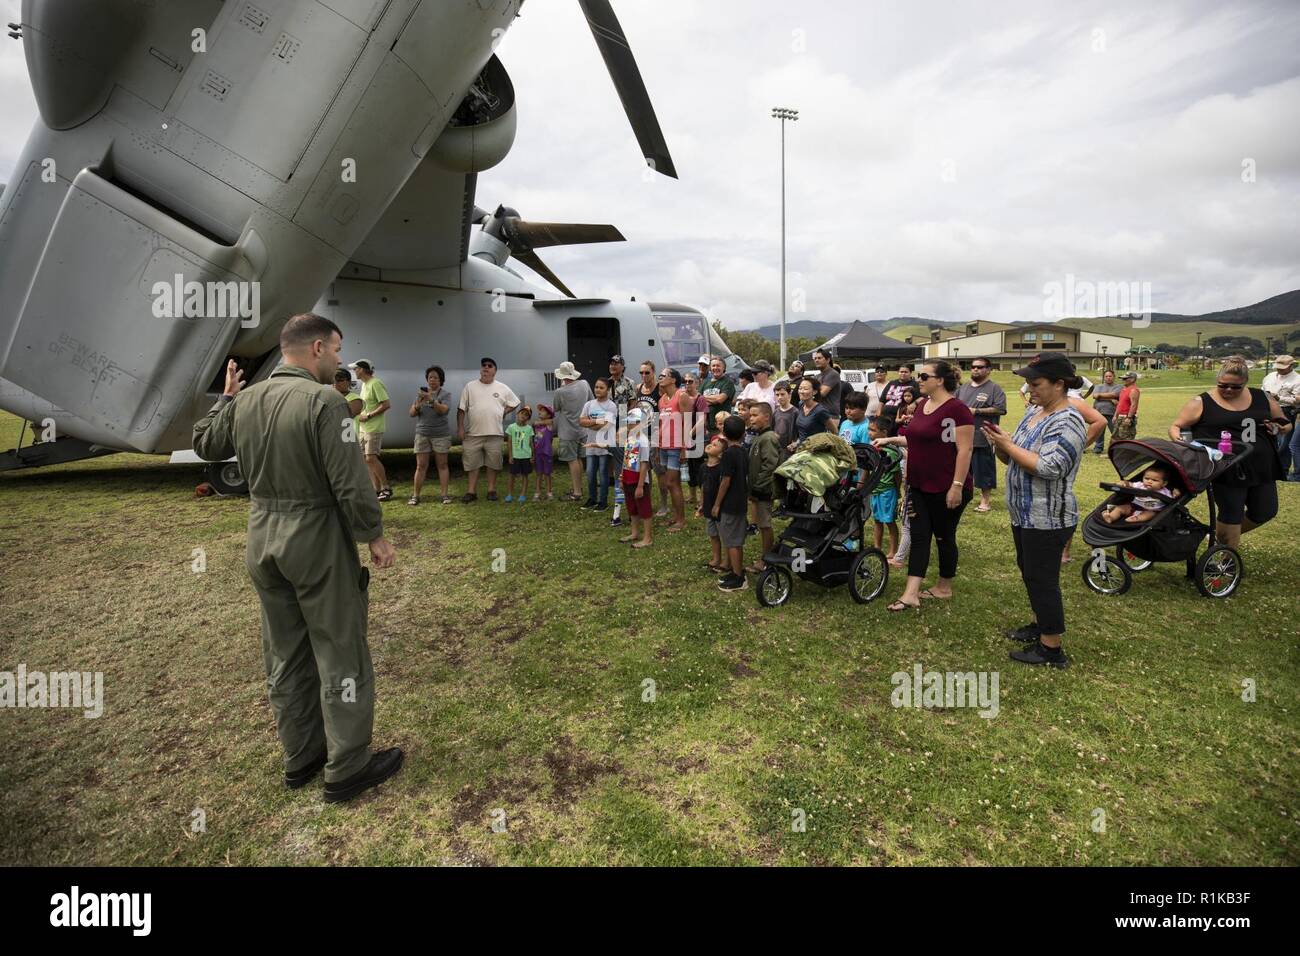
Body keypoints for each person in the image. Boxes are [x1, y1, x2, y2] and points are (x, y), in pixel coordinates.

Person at [193, 313, 401, 803]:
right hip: (315, 538)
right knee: (339, 648)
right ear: (313, 350)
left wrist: (226, 396)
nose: (339, 359)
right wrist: (373, 534)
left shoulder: (246, 400)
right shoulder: (326, 402)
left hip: (262, 536)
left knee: (285, 653)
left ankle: (301, 755)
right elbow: (350, 480)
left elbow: (204, 441)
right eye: (335, 349)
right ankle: (347, 765)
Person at [983, 352, 1086, 669]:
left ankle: (1051, 649)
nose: (1029, 388)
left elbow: (1050, 467)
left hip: (1047, 517)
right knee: (1031, 573)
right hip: (1025, 513)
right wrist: (1001, 445)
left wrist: (1009, 446)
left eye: (1036, 382)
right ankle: (1041, 624)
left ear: (1060, 384)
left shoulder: (1068, 421)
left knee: (1043, 579)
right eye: (1027, 382)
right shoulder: (1034, 413)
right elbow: (1015, 458)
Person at [873, 360, 974, 611]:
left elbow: (965, 450)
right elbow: (914, 439)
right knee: (919, 536)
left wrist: (957, 485)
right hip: (918, 484)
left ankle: (944, 586)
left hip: (946, 486)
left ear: (939, 380)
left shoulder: (958, 410)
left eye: (924, 376)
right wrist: (891, 439)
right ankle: (911, 593)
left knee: (943, 537)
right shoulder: (922, 405)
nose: (919, 379)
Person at [1168, 355, 1289, 550]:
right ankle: (1224, 560)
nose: (1228, 390)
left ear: (1245, 383)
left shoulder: (1262, 397)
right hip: (1226, 468)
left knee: (1265, 511)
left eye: (1235, 387)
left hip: (1262, 467)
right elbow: (1176, 426)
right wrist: (1182, 442)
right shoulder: (1201, 401)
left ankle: (1218, 538)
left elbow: (1284, 422)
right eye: (1223, 385)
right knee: (1231, 514)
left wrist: (1280, 427)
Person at [457, 357, 519, 503]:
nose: (486, 367)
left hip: (495, 433)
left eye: (489, 366)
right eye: (483, 365)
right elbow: (461, 409)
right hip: (473, 434)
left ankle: (491, 490)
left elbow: (515, 402)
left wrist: (504, 412)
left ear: (494, 371)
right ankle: (471, 491)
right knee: (472, 464)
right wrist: (460, 428)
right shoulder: (470, 387)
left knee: (493, 464)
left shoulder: (502, 387)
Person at [956, 357, 1007, 513]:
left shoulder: (994, 389)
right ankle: (964, 497)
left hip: (983, 434)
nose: (975, 369)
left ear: (988, 370)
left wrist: (977, 411)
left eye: (980, 367)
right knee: (963, 467)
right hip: (962, 435)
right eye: (973, 367)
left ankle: (985, 501)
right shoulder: (963, 388)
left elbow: (1000, 409)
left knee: (984, 468)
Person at [714, 416, 750, 591]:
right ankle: (736, 571)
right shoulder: (743, 451)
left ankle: (738, 578)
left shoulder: (729, 454)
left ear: (724, 434)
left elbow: (725, 481)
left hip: (730, 503)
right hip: (741, 501)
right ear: (743, 434)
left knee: (732, 541)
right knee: (735, 539)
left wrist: (717, 504)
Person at [656, 367, 694, 531]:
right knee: (669, 483)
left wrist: (685, 448)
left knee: (673, 483)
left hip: (676, 446)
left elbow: (688, 422)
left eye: (663, 375)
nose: (660, 377)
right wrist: (658, 447)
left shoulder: (682, 395)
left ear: (673, 380)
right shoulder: (662, 399)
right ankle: (675, 516)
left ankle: (681, 520)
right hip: (664, 446)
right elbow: (660, 424)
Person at [746, 402, 782, 572]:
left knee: (765, 525)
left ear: (766, 417)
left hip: (764, 490)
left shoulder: (768, 438)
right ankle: (767, 556)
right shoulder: (760, 436)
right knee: (762, 523)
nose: (750, 418)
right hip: (758, 489)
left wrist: (758, 488)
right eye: (750, 415)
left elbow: (770, 465)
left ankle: (767, 559)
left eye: (754, 415)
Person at [409, 365, 452, 505]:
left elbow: (443, 410)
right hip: (422, 433)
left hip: (440, 434)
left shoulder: (445, 395)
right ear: (427, 380)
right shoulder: (420, 394)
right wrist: (418, 404)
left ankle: (445, 495)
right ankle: (415, 496)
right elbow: (411, 414)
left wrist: (431, 400)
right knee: (421, 466)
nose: (432, 380)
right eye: (430, 377)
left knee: (443, 465)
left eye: (436, 377)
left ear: (441, 380)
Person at [552, 361, 593, 502]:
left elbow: (556, 408)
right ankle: (579, 488)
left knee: (572, 460)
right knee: (579, 459)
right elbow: (590, 401)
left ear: (562, 376)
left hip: (567, 430)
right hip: (583, 429)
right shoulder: (584, 384)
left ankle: (577, 492)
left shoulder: (560, 392)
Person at [351, 360, 392, 501]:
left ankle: (386, 488)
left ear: (362, 369)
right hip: (364, 428)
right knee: (366, 459)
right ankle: (377, 489)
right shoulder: (364, 385)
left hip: (374, 428)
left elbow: (386, 404)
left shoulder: (376, 383)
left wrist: (368, 415)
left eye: (355, 369)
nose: (354, 371)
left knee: (370, 457)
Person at [579, 378, 618, 510]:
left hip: (604, 446)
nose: (598, 390)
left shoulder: (611, 406)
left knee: (603, 473)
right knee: (590, 473)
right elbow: (582, 421)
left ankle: (603, 501)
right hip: (591, 445)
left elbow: (607, 425)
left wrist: (591, 423)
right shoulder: (589, 404)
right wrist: (596, 421)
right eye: (596, 387)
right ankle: (592, 498)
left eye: (601, 387)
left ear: (607, 390)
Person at [618, 408, 653, 547]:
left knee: (644, 507)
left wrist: (640, 485)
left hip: (639, 479)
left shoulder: (643, 441)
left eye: (634, 423)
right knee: (631, 506)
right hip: (627, 477)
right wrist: (621, 477)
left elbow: (644, 464)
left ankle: (647, 538)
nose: (630, 425)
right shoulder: (629, 438)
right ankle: (634, 532)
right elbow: (625, 459)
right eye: (629, 423)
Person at [867, 417, 902, 558]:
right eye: (868, 429)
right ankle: (877, 547)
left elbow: (897, 475)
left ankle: (893, 551)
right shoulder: (872, 448)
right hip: (875, 490)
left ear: (884, 432)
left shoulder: (891, 452)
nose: (869, 433)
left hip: (887, 491)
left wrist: (898, 490)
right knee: (877, 520)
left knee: (889, 521)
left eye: (872, 430)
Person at [1101, 464, 1181, 524]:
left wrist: (1176, 493)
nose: (1149, 481)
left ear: (1164, 483)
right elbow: (1130, 484)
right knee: (1120, 508)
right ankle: (1110, 517)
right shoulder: (1140, 485)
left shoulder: (1165, 491)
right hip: (1134, 506)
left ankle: (1136, 518)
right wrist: (1124, 483)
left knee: (1150, 514)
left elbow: (1172, 499)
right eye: (1147, 478)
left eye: (1154, 480)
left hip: (1151, 510)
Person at [1261, 354, 1299, 477]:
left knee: (1284, 442)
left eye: (1283, 367)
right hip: (1268, 410)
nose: (1279, 369)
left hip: (1286, 411)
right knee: (1271, 440)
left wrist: (1279, 398)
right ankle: (1271, 468)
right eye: (1278, 366)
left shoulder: (1297, 379)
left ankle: (1282, 470)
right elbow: (1263, 389)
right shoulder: (1270, 376)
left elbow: (1297, 400)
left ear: (1291, 366)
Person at [701, 432, 727, 572]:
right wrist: (701, 504)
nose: (711, 444)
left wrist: (717, 504)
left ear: (720, 454)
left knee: (723, 534)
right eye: (712, 443)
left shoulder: (721, 469)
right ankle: (716, 557)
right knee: (712, 534)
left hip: (719, 507)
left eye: (716, 445)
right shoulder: (703, 467)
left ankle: (726, 559)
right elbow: (703, 487)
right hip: (708, 506)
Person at [683, 372, 709, 508]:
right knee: (690, 467)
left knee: (699, 469)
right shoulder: (683, 397)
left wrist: (689, 433)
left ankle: (702, 500)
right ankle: (692, 496)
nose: (687, 384)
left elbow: (702, 420)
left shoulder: (700, 398)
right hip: (686, 437)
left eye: (690, 381)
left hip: (697, 437)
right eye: (685, 381)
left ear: (697, 383)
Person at [790, 378, 833, 451]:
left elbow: (834, 431)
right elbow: (802, 433)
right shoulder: (801, 404)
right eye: (800, 388)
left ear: (814, 392)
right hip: (801, 449)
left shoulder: (820, 411)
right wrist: (797, 443)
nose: (801, 391)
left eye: (805, 389)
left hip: (815, 452)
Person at [504, 405, 535, 503]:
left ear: (528, 418)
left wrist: (532, 456)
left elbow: (531, 443)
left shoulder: (529, 428)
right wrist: (510, 455)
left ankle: (522, 495)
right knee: (512, 475)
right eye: (522, 413)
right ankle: (509, 494)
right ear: (517, 414)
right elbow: (509, 442)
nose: (523, 416)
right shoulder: (511, 427)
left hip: (526, 456)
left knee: (525, 476)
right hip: (515, 456)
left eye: (526, 415)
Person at [1090, 369, 1123, 454]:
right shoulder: (1098, 386)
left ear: (1114, 377)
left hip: (1112, 413)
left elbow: (1115, 394)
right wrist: (1110, 398)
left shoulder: (1119, 387)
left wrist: (1100, 396)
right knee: (1099, 432)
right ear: (1104, 377)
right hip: (1099, 412)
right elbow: (1095, 396)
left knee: (1115, 432)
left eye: (1110, 376)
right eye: (1106, 376)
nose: (1108, 378)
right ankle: (1098, 448)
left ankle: (1117, 448)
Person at [701, 356, 736, 436]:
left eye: (718, 366)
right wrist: (712, 399)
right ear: (710, 368)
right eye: (713, 366)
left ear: (724, 368)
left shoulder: (728, 383)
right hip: (707, 427)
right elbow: (698, 400)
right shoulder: (705, 383)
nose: (715, 368)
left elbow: (720, 399)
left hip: (722, 427)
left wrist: (703, 398)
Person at [880, 365, 921, 432]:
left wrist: (914, 403)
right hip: (885, 417)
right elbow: (882, 400)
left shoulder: (915, 384)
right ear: (898, 372)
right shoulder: (891, 383)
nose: (903, 374)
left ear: (910, 373)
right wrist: (879, 413)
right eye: (901, 372)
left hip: (901, 419)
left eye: (906, 372)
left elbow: (923, 397)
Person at [812, 348, 843, 427]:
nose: (816, 360)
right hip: (819, 413)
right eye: (815, 358)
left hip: (830, 416)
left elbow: (822, 393)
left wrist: (809, 392)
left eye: (819, 358)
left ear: (828, 360)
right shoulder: (817, 376)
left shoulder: (833, 374)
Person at [533, 404, 556, 500]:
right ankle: (537, 493)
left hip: (547, 453)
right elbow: (534, 423)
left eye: (542, 411)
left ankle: (549, 492)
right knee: (538, 473)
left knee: (547, 474)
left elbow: (551, 421)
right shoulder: (537, 424)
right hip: (538, 452)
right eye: (540, 410)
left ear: (549, 414)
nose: (539, 412)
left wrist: (539, 422)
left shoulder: (549, 424)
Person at [1112, 371, 1141, 439]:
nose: (1123, 380)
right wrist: (1115, 415)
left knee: (1125, 438)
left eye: (1125, 378)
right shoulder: (1124, 389)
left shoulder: (1134, 390)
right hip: (1120, 417)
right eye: (1123, 378)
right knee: (1115, 437)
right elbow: (1120, 404)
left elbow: (1134, 405)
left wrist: (1129, 418)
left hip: (1126, 417)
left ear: (1132, 379)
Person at [773, 381, 797, 455]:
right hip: (776, 449)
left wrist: (796, 443)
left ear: (789, 394)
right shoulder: (775, 412)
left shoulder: (795, 412)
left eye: (782, 394)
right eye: (777, 395)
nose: (780, 397)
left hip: (789, 450)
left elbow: (799, 433)